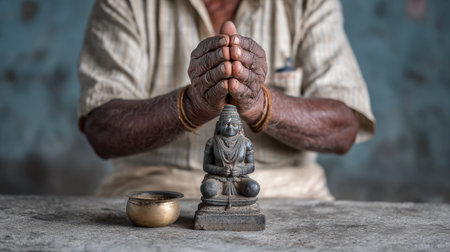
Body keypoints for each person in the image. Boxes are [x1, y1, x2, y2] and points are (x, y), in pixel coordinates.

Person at [78, 0, 375, 200]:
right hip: (156, 194)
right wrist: (192, 106)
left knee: (252, 187)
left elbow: (344, 127)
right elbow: (102, 129)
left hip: (289, 193)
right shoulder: (126, 4)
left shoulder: (307, 4)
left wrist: (259, 104)